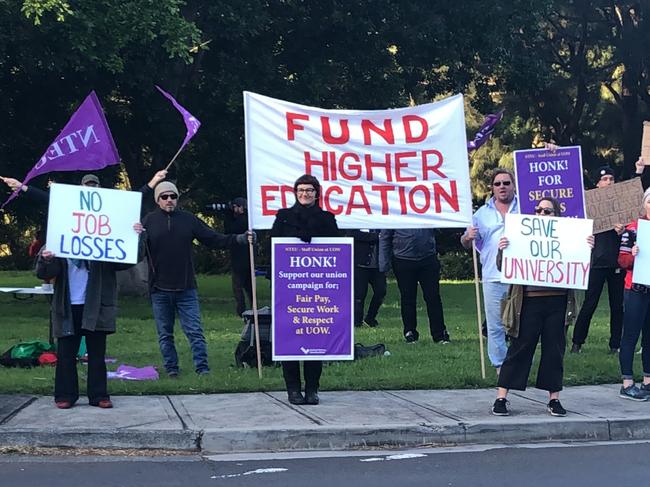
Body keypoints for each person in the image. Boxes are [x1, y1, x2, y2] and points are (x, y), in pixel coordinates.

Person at [492, 197, 593, 417]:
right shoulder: (522, 235)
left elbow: (582, 268)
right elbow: (503, 266)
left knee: (554, 350)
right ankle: (502, 397)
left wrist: (586, 249)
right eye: (539, 210)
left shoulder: (568, 237)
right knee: (520, 347)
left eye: (547, 211)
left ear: (556, 214)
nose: (542, 214)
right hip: (528, 302)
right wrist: (503, 249)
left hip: (557, 302)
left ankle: (554, 399)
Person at [142, 181, 252, 377]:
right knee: (165, 334)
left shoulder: (188, 220)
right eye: (164, 197)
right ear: (157, 200)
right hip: (159, 288)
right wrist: (136, 235)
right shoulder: (148, 221)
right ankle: (171, 369)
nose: (169, 200)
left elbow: (213, 238)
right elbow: (136, 251)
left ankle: (202, 369)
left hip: (186, 287)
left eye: (173, 196)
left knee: (195, 331)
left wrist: (239, 238)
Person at [35, 225, 143, 409]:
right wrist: (46, 260)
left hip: (96, 306)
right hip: (67, 306)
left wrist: (137, 237)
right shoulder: (56, 241)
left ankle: (99, 395)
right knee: (66, 353)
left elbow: (128, 259)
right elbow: (43, 273)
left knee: (96, 353)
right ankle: (66, 395)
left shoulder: (102, 241)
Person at [270, 174, 339, 405]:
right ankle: (293, 389)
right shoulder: (283, 217)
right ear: (295, 193)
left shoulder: (328, 219)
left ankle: (312, 388)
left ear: (317, 193)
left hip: (318, 289)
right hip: (289, 287)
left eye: (309, 190)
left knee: (314, 339)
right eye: (300, 190)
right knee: (290, 338)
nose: (305, 194)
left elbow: (336, 251)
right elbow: (273, 247)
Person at [571, 159, 646, 354]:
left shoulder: (621, 206)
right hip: (597, 262)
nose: (609, 182)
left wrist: (638, 171)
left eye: (611, 178)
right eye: (604, 179)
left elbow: (633, 196)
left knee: (617, 306)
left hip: (617, 262)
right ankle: (577, 342)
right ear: (597, 184)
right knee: (590, 303)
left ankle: (615, 345)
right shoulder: (590, 205)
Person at [461, 168, 518, 371]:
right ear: (492, 188)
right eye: (497, 184)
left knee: (520, 325)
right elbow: (466, 243)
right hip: (493, 275)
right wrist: (468, 237)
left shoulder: (526, 208)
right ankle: (500, 367)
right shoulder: (480, 214)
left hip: (521, 275)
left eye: (506, 183)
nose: (502, 187)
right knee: (495, 325)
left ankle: (518, 364)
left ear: (513, 185)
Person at [379, 228, 449, 343]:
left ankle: (440, 334)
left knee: (433, 297)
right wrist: (383, 264)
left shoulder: (428, 210)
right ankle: (410, 332)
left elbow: (441, 227)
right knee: (407, 298)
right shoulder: (393, 212)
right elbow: (385, 237)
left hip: (428, 258)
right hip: (403, 259)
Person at [617, 188, 650, 400]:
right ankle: (627, 382)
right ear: (644, 204)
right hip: (636, 289)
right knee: (630, 335)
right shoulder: (634, 229)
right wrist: (634, 255)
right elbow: (621, 261)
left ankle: (648, 380)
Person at [348, 229, 386, 327]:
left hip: (377, 266)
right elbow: (353, 233)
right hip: (360, 265)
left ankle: (370, 318)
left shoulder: (382, 222)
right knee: (359, 295)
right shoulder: (357, 222)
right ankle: (357, 321)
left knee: (381, 291)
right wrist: (376, 237)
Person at [223, 197, 253, 317]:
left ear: (240, 207)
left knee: (238, 286)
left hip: (239, 259)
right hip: (248, 258)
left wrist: (227, 215)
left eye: (235, 207)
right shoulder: (249, 220)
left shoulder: (242, 221)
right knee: (249, 286)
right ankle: (253, 306)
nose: (233, 209)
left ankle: (241, 309)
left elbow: (229, 230)